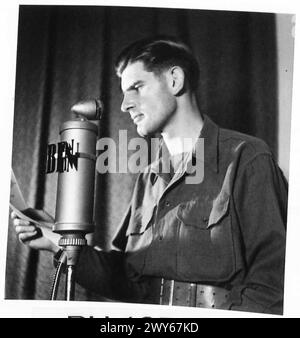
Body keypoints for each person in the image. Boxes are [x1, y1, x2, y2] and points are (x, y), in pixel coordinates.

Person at [12, 36, 288, 315]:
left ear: (175, 80)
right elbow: (126, 279)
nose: (124, 105)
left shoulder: (247, 158)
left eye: (137, 87)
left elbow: (273, 285)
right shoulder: (148, 178)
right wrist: (57, 241)